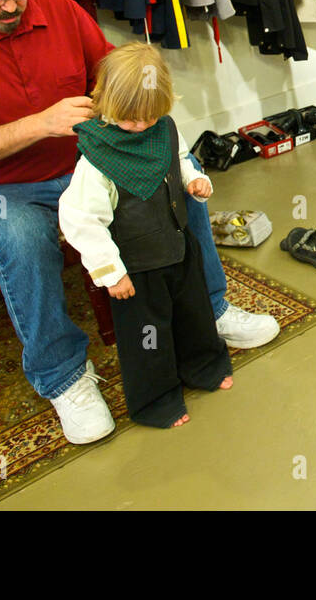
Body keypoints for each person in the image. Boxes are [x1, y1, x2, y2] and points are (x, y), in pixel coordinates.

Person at [0, 0, 279, 445]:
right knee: (22, 236)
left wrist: (139, 96)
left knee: (175, 176)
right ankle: (64, 377)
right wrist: (41, 122)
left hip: (89, 160)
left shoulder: (55, 6)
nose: (13, 5)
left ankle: (210, 310)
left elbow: (110, 70)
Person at [58, 44, 232, 428]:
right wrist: (109, 272)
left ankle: (204, 366)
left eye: (149, 117)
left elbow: (181, 158)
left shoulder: (163, 128)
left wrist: (195, 180)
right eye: (130, 119)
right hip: (135, 269)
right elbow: (80, 219)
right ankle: (156, 400)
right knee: (148, 336)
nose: (140, 126)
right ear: (106, 104)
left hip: (179, 246)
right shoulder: (96, 159)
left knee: (194, 313)